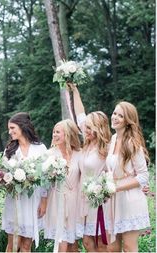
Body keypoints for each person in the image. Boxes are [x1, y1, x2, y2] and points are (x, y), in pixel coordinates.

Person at [69, 84, 111, 252]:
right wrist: (74, 90)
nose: (84, 130)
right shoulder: (87, 144)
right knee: (87, 242)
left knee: (101, 242)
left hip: (100, 200)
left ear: (98, 129)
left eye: (88, 128)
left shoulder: (106, 148)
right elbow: (80, 113)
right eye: (84, 127)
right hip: (83, 198)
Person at [105, 101, 150, 252]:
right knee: (112, 248)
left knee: (130, 247)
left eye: (120, 116)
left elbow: (143, 176)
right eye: (114, 113)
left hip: (130, 201)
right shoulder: (112, 140)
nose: (115, 117)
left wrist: (116, 188)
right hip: (112, 202)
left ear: (128, 121)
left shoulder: (132, 143)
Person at [2, 112, 47, 252]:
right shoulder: (9, 151)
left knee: (26, 246)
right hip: (14, 200)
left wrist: (44, 200)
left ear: (22, 126)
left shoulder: (40, 148)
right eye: (9, 129)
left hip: (32, 200)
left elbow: (46, 177)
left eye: (12, 128)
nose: (10, 132)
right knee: (13, 244)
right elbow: (2, 175)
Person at [44, 119, 81, 252]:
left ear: (68, 134)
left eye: (58, 132)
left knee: (73, 245)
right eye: (53, 132)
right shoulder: (49, 155)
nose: (54, 134)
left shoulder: (79, 154)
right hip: (57, 201)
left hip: (75, 203)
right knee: (62, 243)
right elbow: (44, 183)